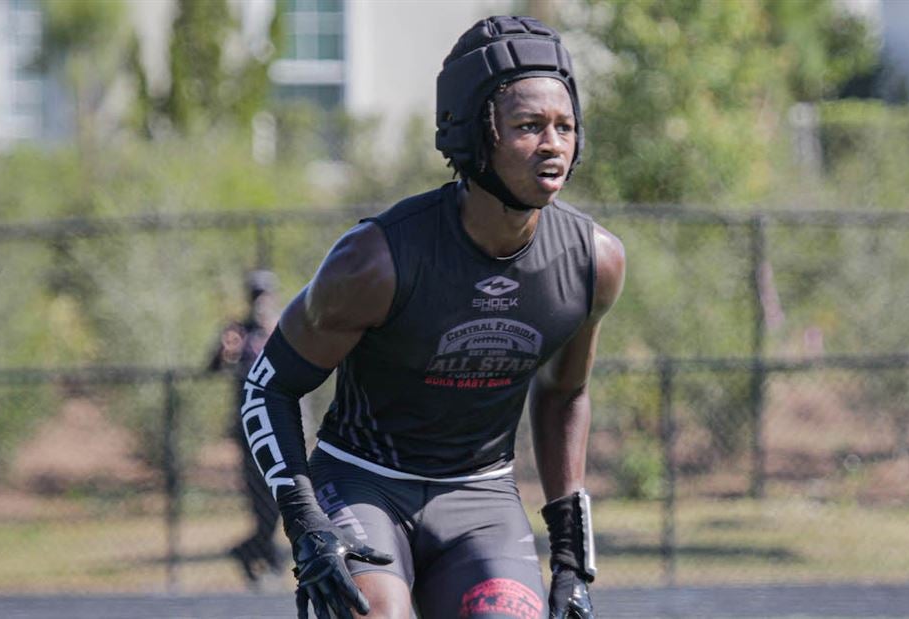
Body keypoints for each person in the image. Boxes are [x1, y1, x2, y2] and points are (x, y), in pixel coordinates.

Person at [238, 15, 625, 618]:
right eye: (528, 126)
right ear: (476, 135)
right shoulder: (376, 260)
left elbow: (565, 395)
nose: (553, 144)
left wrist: (572, 558)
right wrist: (306, 523)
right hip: (362, 485)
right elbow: (270, 386)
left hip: (482, 499)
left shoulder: (592, 261)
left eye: (565, 126)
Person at [209, 269, 285, 584]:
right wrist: (224, 352)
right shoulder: (238, 332)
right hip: (251, 428)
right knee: (259, 500)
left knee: (283, 495)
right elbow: (211, 367)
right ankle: (267, 559)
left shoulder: (285, 327)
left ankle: (255, 552)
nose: (260, 301)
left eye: (264, 294)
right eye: (255, 295)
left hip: (283, 425)